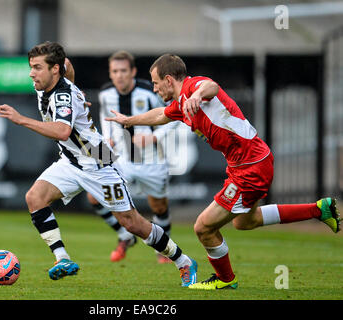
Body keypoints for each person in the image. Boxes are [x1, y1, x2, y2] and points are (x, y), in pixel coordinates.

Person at [106, 53, 341, 290]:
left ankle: (226, 279)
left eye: (156, 83)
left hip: (250, 167)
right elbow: (159, 115)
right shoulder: (179, 103)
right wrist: (129, 121)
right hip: (247, 164)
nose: (155, 89)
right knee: (245, 222)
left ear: (168, 79)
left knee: (203, 227)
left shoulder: (194, 86)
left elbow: (212, 86)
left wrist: (197, 95)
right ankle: (319, 209)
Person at [0, 43, 198, 287]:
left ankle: (183, 261)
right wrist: (77, 97)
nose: (31, 73)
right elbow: (67, 66)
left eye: (37, 67)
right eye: (31, 67)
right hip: (71, 160)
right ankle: (63, 259)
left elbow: (62, 130)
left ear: (53, 69)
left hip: (97, 159)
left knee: (132, 222)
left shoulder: (62, 95)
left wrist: (21, 119)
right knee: (35, 198)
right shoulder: (49, 82)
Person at [86, 50, 178, 263]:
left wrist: (154, 137)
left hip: (151, 160)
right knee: (93, 194)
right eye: (115, 71)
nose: (119, 75)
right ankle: (124, 235)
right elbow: (105, 120)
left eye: (124, 71)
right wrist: (106, 142)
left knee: (159, 206)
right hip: (121, 159)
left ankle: (164, 249)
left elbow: (174, 116)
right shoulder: (106, 94)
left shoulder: (149, 92)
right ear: (110, 73)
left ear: (133, 72)